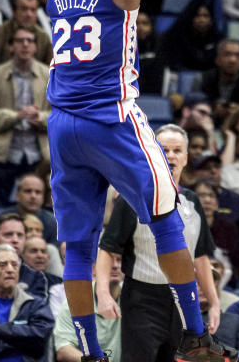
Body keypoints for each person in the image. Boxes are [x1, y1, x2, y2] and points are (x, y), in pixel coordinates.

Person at [45, 0, 232, 360]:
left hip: (63, 127)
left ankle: (90, 353)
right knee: (167, 214)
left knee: (78, 247)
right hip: (111, 118)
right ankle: (196, 335)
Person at [96, 124, 224, 362]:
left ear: (186, 158)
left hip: (184, 301)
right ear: (152, 154)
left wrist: (214, 302)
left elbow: (201, 257)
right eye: (164, 150)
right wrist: (103, 293)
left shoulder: (193, 202)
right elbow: (107, 249)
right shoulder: (132, 198)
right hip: (142, 298)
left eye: (177, 151)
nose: (171, 156)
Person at [0, 24, 51, 206]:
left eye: (30, 41)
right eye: (20, 41)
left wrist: (40, 117)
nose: (25, 45)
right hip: (3, 155)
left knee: (39, 210)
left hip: (39, 156)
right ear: (11, 46)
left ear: (35, 47)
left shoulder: (50, 76)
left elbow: (62, 115)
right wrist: (16, 116)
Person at [190, 39, 239, 124]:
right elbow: (191, 114)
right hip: (206, 127)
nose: (233, 60)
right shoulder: (201, 79)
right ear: (217, 59)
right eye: (227, 55)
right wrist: (212, 111)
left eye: (238, 56)